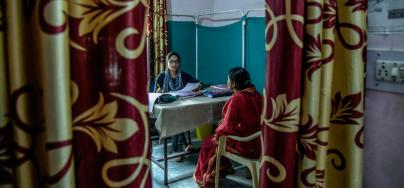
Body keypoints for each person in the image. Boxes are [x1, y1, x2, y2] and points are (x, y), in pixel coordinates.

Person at [193, 67, 262, 187]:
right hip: (258, 142)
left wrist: (218, 131)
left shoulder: (237, 98)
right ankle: (222, 169)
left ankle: (207, 178)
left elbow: (226, 128)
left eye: (228, 79)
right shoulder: (256, 94)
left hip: (244, 145)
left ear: (234, 83)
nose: (227, 82)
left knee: (209, 141)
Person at [153, 51, 202, 162]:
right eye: (171, 61)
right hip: (166, 109)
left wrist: (197, 87)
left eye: (176, 61)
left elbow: (198, 83)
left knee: (179, 116)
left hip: (180, 106)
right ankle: (177, 149)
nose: (174, 64)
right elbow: (154, 94)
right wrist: (159, 92)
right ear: (167, 62)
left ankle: (182, 147)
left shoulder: (183, 75)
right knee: (176, 118)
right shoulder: (161, 77)